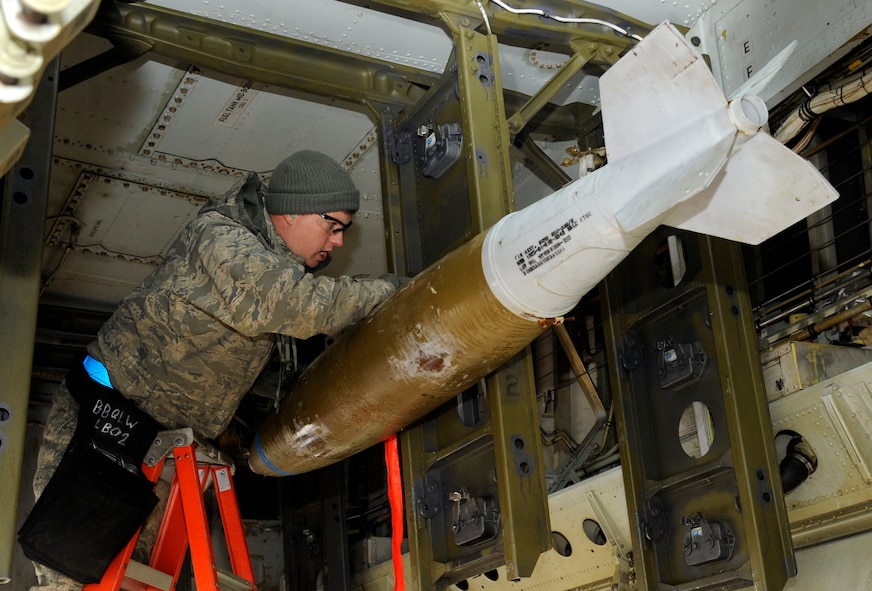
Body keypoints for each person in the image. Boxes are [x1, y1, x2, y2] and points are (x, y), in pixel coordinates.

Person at [24, 150, 400, 591]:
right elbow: (297, 306)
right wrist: (392, 290)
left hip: (162, 446)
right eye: (332, 225)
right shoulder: (222, 238)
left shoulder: (269, 264)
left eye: (344, 231)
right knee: (71, 577)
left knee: (132, 582)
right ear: (292, 210)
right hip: (107, 427)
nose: (337, 241)